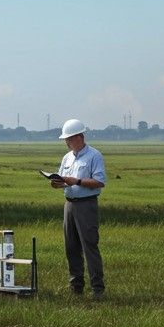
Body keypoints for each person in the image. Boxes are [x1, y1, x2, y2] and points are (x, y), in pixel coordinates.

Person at [52, 118, 106, 297]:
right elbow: (63, 180)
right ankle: (76, 286)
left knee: (89, 246)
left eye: (69, 139)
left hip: (86, 205)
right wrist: (57, 183)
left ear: (80, 137)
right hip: (69, 204)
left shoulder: (94, 156)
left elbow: (99, 182)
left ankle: (97, 288)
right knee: (71, 246)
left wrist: (78, 181)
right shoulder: (67, 158)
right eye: (66, 140)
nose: (66, 143)